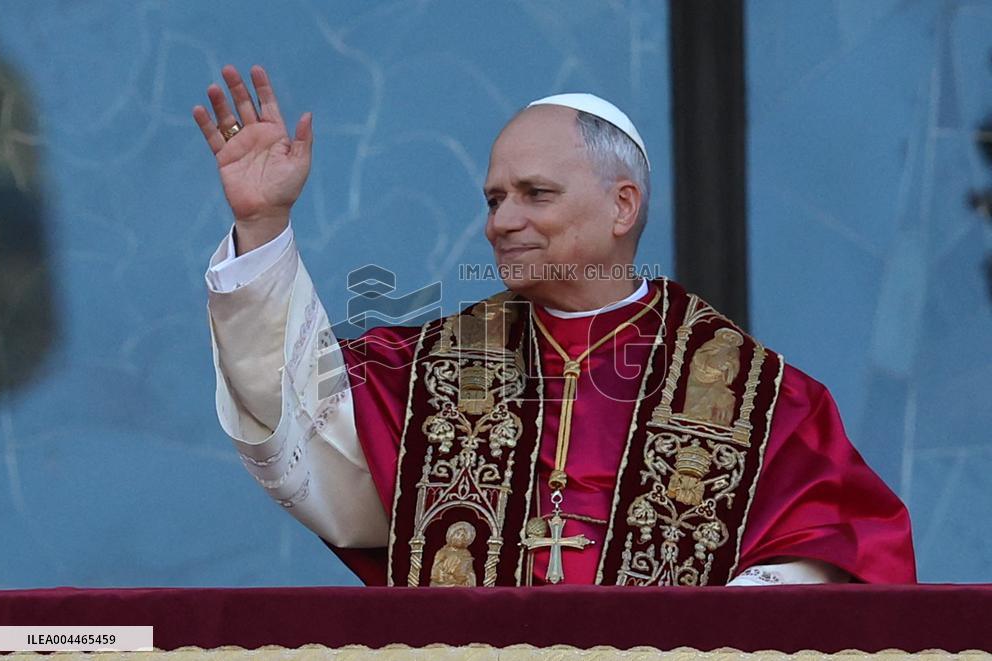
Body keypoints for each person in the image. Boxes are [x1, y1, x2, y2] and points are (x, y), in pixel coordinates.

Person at [195, 64, 916, 587]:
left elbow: (844, 557)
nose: (500, 221)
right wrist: (263, 227)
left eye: (534, 194)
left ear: (623, 206)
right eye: (493, 198)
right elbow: (297, 407)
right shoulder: (429, 371)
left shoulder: (755, 396)